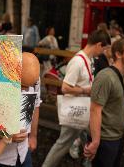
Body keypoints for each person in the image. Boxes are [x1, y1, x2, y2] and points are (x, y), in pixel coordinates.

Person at [42, 30, 110, 167]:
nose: (103, 52)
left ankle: (88, 161)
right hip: (76, 108)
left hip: (83, 108)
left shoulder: (88, 59)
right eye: (104, 48)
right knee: (63, 143)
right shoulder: (78, 61)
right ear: (98, 45)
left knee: (88, 137)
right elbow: (65, 88)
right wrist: (85, 90)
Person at [84, 38, 124, 167]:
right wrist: (95, 142)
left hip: (117, 138)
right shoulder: (105, 77)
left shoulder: (121, 74)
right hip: (105, 140)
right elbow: (95, 110)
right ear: (118, 54)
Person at [0, 52, 41, 167]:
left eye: (31, 85)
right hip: (0, 156)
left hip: (24, 151)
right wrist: (6, 135)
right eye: (23, 86)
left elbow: (36, 105)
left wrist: (33, 136)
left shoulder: (34, 76)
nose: (26, 90)